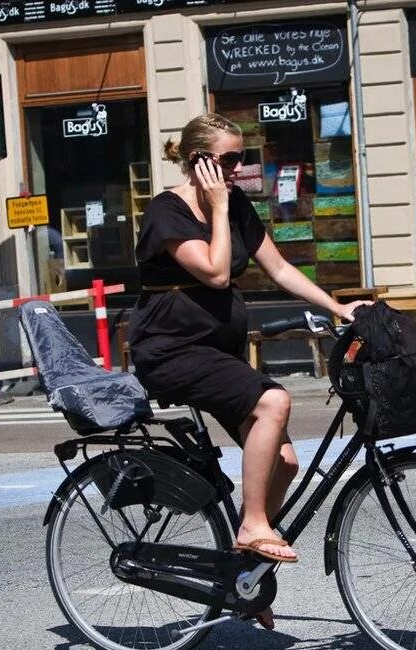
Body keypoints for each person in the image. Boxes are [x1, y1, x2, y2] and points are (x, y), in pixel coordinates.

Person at [127, 113, 368, 605]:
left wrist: (339, 308)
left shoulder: (235, 206)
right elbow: (215, 274)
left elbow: (277, 267)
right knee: (273, 402)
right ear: (199, 161)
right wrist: (216, 206)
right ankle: (253, 526)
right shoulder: (167, 212)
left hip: (217, 353)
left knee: (283, 462)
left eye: (243, 158)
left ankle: (242, 575)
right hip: (172, 351)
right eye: (230, 159)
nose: (238, 169)